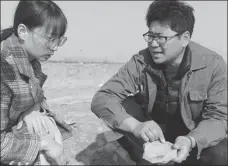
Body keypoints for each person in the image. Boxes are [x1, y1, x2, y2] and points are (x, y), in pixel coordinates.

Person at [91, 0, 227, 165]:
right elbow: (103, 98)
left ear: (185, 38)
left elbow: (219, 117)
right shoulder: (141, 61)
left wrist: (190, 140)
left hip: (190, 139)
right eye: (150, 36)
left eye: (161, 38)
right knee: (120, 109)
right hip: (155, 136)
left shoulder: (213, 65)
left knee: (221, 153)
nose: (153, 44)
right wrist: (135, 126)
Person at [1, 0, 74, 165]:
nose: (55, 47)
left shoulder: (31, 61)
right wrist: (44, 144)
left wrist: (33, 108)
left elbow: (37, 97)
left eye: (59, 40)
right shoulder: (4, 69)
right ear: (23, 31)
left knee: (44, 123)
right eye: (50, 39)